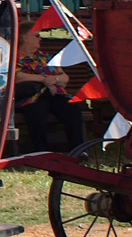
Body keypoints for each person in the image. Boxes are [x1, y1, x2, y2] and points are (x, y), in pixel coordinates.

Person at [14, 18, 86, 151]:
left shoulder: (45, 57)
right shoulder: (13, 58)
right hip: (29, 97)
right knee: (37, 110)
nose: (40, 39)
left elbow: (64, 78)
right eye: (37, 35)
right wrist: (44, 79)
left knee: (72, 107)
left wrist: (54, 81)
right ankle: (41, 152)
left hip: (53, 94)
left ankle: (78, 150)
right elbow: (16, 77)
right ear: (25, 38)